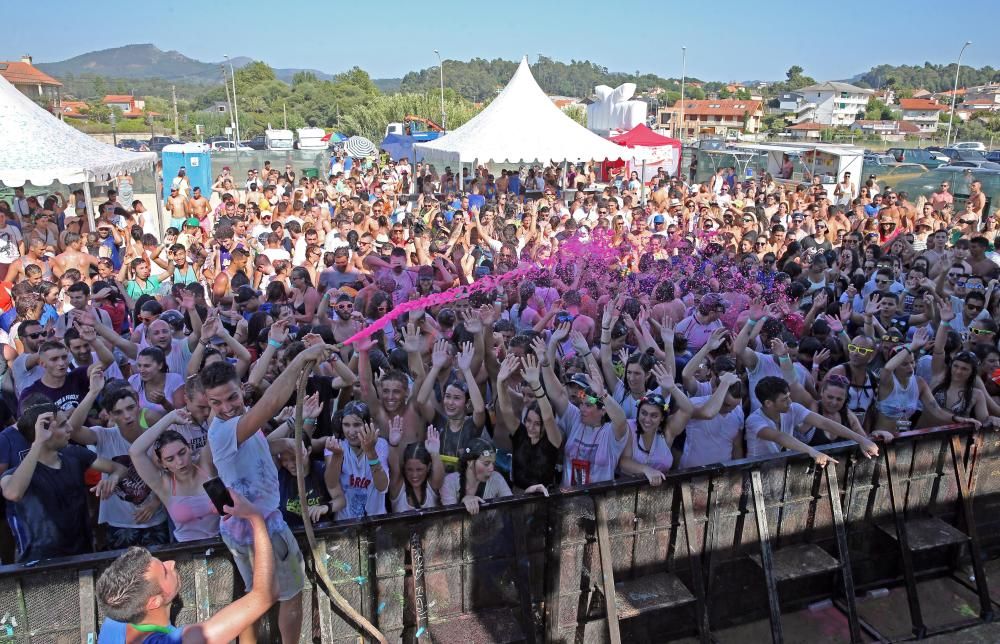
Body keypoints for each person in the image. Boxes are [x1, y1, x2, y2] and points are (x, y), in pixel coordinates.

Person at [199, 340, 332, 643]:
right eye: (216, 403)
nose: (226, 407)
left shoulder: (234, 423)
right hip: (259, 523)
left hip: (250, 522)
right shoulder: (221, 429)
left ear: (240, 389)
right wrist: (299, 359)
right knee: (290, 593)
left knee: (256, 600)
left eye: (232, 397)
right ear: (208, 402)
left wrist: (280, 444)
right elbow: (269, 405)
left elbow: (250, 447)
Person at [95, 489, 277, 643]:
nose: (171, 563)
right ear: (154, 602)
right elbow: (264, 595)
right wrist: (256, 519)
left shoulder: (116, 616)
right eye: (165, 572)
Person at [1, 399, 127, 562]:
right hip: (41, 565)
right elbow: (13, 493)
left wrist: (113, 477)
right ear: (41, 433)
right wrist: (38, 442)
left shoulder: (74, 454)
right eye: (62, 425)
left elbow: (120, 468)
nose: (69, 428)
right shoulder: (15, 475)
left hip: (82, 556)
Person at [128, 408, 219, 543]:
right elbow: (135, 451)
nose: (180, 462)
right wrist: (170, 417)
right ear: (162, 463)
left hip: (222, 544)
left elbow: (214, 420)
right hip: (186, 552)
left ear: (189, 448)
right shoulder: (164, 484)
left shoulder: (206, 466)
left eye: (182, 452)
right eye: (170, 459)